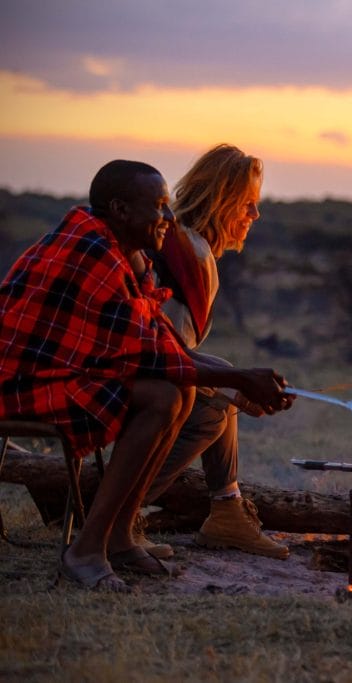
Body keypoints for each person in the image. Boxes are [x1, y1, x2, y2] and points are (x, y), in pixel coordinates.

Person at [0, 160, 293, 592]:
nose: (168, 219)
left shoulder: (124, 253)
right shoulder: (92, 253)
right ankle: (87, 547)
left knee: (176, 395)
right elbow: (149, 356)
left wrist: (239, 379)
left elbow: (163, 339)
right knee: (166, 396)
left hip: (62, 373)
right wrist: (239, 381)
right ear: (120, 209)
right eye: (158, 207)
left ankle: (118, 535)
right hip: (22, 385)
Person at [131, 144, 288, 559]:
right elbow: (163, 360)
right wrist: (234, 386)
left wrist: (236, 382)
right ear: (221, 203)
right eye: (248, 205)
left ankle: (228, 511)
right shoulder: (191, 255)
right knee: (213, 410)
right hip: (130, 382)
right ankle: (117, 515)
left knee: (224, 381)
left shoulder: (179, 244)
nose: (255, 216)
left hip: (132, 368)